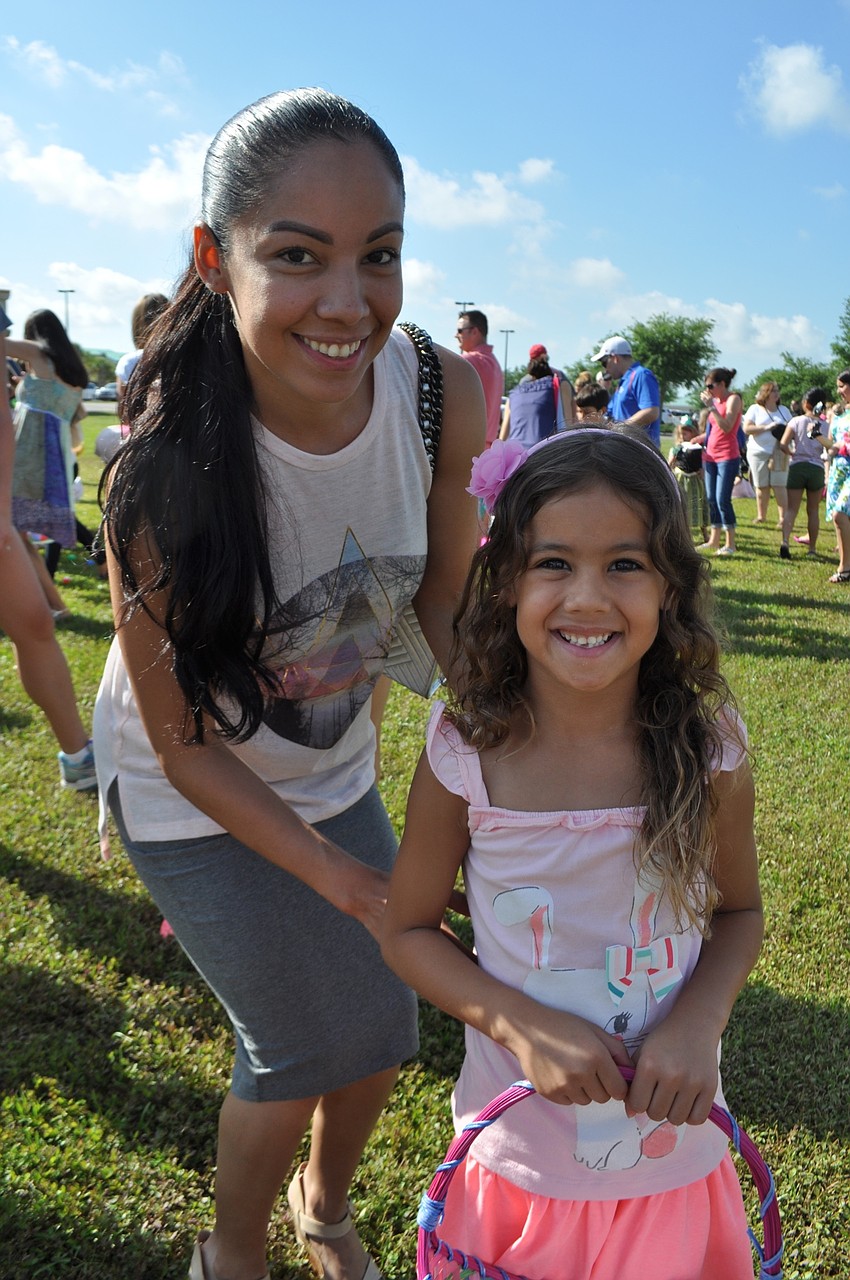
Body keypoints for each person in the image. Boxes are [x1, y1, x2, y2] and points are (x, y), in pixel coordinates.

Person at [93, 88, 483, 1280]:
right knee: (301, 1039)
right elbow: (187, 747)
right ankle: (235, 1250)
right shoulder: (162, 473)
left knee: (380, 1033)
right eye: (297, 256)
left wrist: (515, 752)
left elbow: (440, 612)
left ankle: (325, 1205)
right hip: (184, 795)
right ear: (217, 259)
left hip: (331, 766)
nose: (347, 301)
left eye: (380, 255)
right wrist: (347, 884)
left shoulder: (436, 393)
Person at [383, 429, 763, 1280]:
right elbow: (407, 930)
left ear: (671, 586)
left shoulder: (710, 749)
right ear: (508, 579)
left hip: (674, 1161)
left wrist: (700, 1023)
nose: (587, 598)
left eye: (625, 564)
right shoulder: (466, 749)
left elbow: (739, 913)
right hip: (518, 1160)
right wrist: (521, 1023)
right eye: (554, 563)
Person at [0, 316, 96, 790]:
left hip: (29, 455)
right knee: (41, 537)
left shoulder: (37, 356)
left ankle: (87, 565)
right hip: (53, 451)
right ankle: (66, 589)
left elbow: (3, 343)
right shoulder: (68, 364)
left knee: (35, 538)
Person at [6, 308, 88, 615]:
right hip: (54, 460)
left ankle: (51, 603)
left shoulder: (38, 353)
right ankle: (53, 604)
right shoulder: (73, 372)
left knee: (16, 531)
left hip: (28, 458)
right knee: (19, 534)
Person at [697, 367, 743, 557]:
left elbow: (727, 427)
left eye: (710, 386)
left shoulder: (733, 399)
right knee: (711, 499)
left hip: (727, 456)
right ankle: (714, 540)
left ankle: (730, 544)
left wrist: (711, 408)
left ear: (722, 384)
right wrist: (697, 439)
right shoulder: (715, 402)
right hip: (711, 456)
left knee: (722, 499)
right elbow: (713, 431)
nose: (708, 390)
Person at [779, 388, 828, 559]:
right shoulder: (826, 425)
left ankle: (785, 541)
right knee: (813, 510)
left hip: (797, 466)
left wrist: (792, 453)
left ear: (806, 403)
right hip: (817, 468)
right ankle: (812, 549)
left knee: (792, 509)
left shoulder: (796, 421)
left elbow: (783, 444)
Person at [593, 336, 661, 448]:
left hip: (641, 451)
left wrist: (618, 429)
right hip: (626, 449)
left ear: (615, 358)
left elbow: (652, 411)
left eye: (604, 363)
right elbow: (608, 415)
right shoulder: (624, 381)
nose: (605, 369)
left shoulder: (641, 375)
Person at [742, 381, 791, 528]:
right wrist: (767, 427)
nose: (776, 393)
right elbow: (747, 428)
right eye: (772, 391)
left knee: (779, 485)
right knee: (761, 486)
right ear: (765, 394)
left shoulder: (784, 410)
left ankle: (783, 518)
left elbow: (792, 429)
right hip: (758, 452)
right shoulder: (755, 409)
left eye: (777, 390)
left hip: (779, 452)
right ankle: (761, 516)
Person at [499, 350, 572, 446]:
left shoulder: (513, 394)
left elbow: (502, 438)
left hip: (516, 455)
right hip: (544, 452)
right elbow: (569, 424)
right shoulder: (559, 386)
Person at [456, 310, 503, 447]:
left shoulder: (466, 362)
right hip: (488, 447)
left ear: (474, 331)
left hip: (465, 446)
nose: (456, 335)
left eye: (460, 330)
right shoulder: (495, 364)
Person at [825, 369, 850, 583]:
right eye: (838, 386)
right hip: (838, 471)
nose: (839, 391)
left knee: (840, 514)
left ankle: (845, 567)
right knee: (840, 518)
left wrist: (843, 446)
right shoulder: (839, 415)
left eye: (842, 386)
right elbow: (833, 444)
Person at [668, 416, 708, 542]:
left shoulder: (699, 448)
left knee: (699, 504)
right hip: (681, 477)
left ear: (694, 432)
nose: (684, 433)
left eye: (687, 430)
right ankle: (683, 534)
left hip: (695, 479)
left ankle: (705, 533)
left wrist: (702, 470)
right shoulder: (677, 448)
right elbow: (670, 462)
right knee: (682, 505)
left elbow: (703, 462)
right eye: (682, 431)